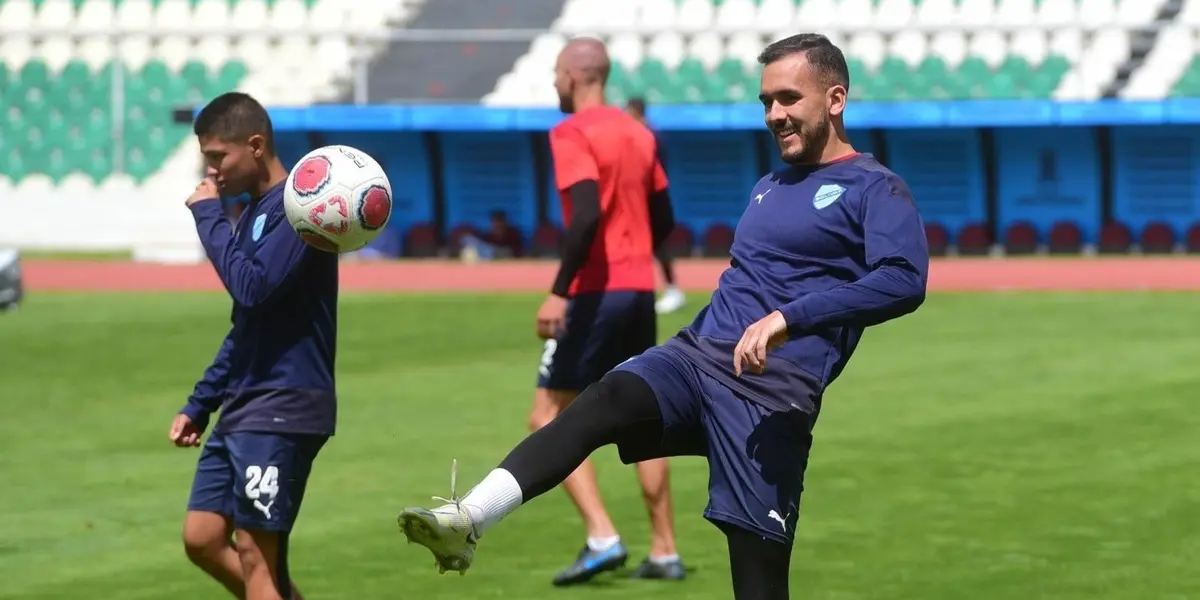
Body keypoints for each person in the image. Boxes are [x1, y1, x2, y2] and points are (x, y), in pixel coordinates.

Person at [397, 33, 930, 600]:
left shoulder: (874, 187)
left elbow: (903, 280)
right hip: (695, 360)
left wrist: (787, 319)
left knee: (758, 585)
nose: (774, 115)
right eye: (766, 102)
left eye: (789, 99)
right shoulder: (768, 186)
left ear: (835, 99)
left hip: (771, 399)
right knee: (602, 401)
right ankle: (469, 519)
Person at [169, 92, 339, 600]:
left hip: (283, 403)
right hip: (245, 401)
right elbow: (247, 325)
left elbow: (252, 288)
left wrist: (208, 216)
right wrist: (202, 402)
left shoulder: (299, 212)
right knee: (201, 537)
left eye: (218, 156)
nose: (211, 171)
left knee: (256, 556)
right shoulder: (253, 214)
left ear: (257, 145)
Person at [625, 96, 686, 315]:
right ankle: (651, 290)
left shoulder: (648, 136)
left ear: (635, 111)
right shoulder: (647, 134)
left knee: (656, 245)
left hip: (649, 197)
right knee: (645, 246)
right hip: (645, 196)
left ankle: (671, 290)